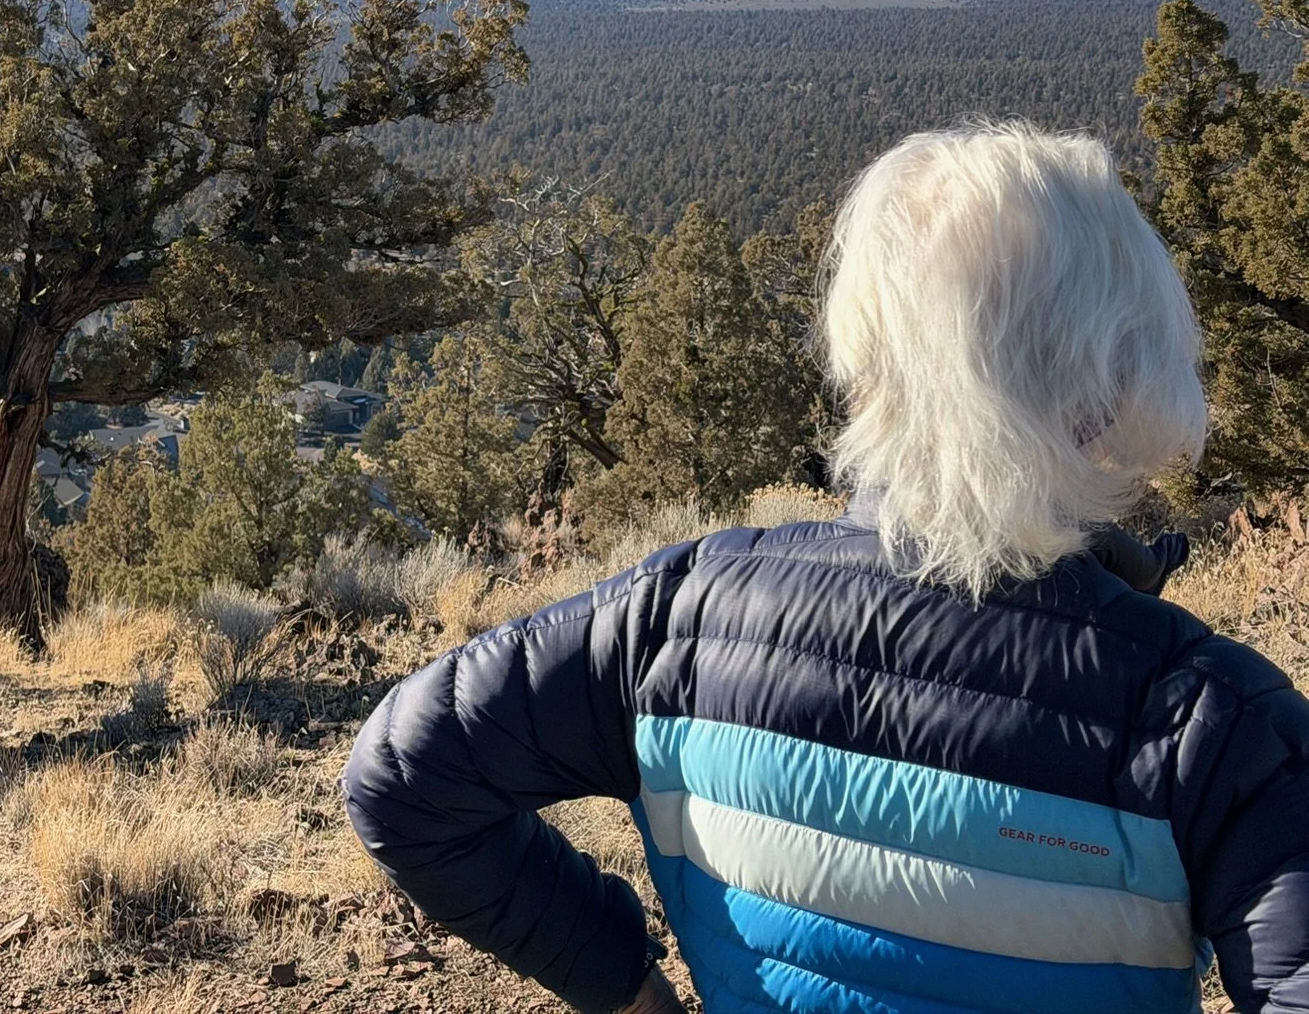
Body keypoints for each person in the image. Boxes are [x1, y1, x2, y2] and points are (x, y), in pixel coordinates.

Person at [343, 122, 1309, 1014]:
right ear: (1110, 386)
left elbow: (403, 774)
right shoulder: (1219, 728)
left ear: (867, 358)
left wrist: (625, 988)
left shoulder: (675, 621)